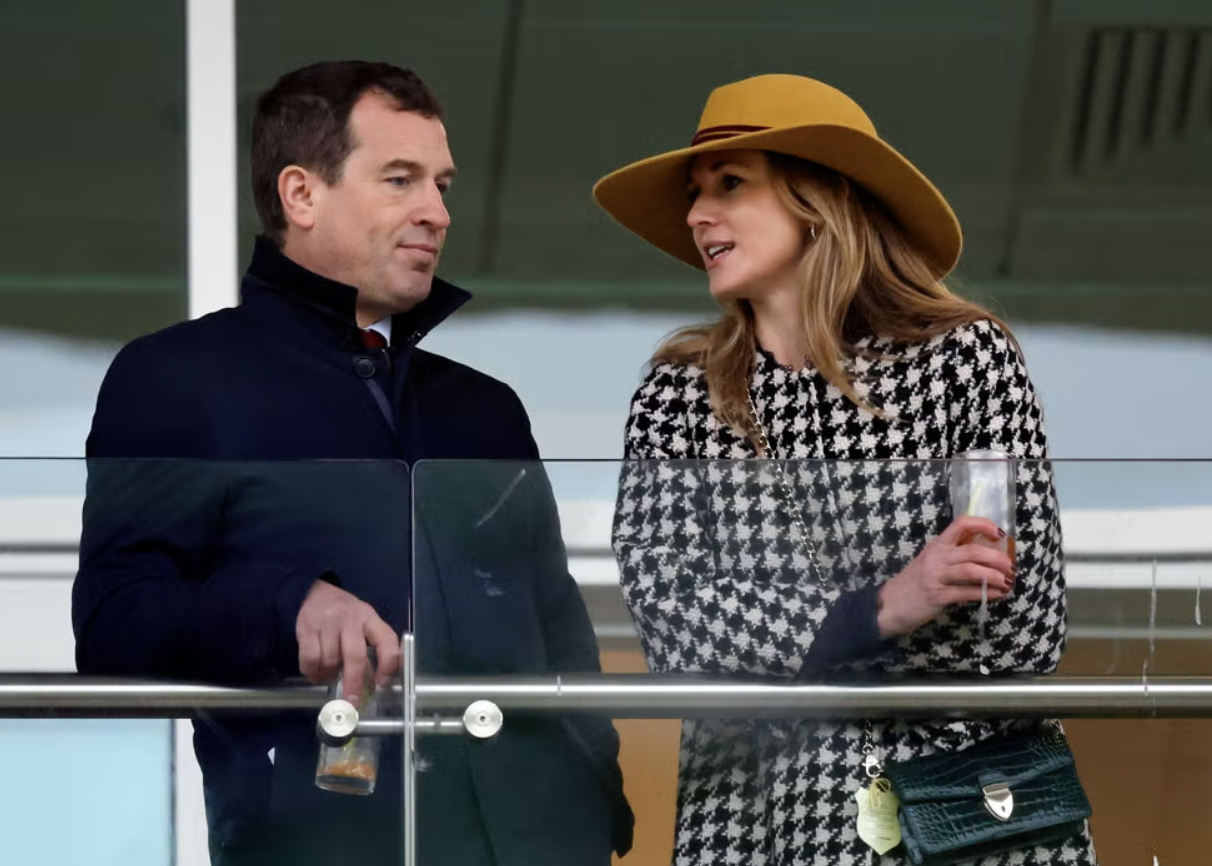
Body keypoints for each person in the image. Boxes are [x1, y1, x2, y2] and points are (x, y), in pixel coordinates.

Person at [72, 60, 631, 866]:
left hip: (543, 844)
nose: (437, 211)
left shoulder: (487, 408)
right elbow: (114, 625)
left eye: (442, 184)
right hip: (321, 842)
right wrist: (285, 607)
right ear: (301, 195)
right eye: (400, 179)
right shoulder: (175, 378)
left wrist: (595, 791)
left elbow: (560, 627)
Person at [595, 74, 1096, 865]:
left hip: (972, 818)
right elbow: (673, 625)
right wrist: (888, 606)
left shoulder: (965, 360)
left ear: (818, 199)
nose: (696, 215)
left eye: (730, 184)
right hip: (757, 819)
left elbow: (1022, 628)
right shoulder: (678, 395)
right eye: (695, 193)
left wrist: (782, 645)